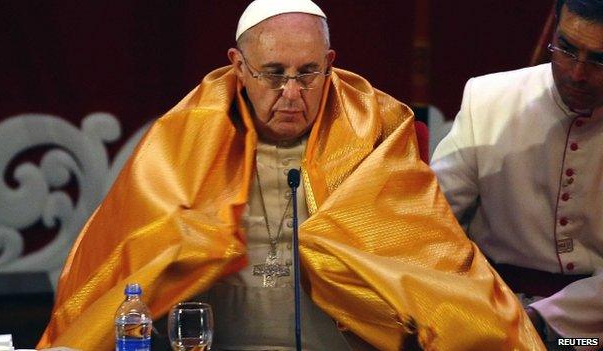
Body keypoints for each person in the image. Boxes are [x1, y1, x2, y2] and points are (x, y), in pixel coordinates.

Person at [38, 0, 543, 350]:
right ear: (238, 66)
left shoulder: (374, 141)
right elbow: (123, 270)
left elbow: (435, 269)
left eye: (308, 73)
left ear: (330, 64)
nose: (293, 92)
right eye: (274, 73)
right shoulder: (183, 147)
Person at [431, 0, 603, 346]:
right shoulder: (489, 99)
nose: (576, 73)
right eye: (566, 49)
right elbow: (432, 221)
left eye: (599, 60)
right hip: (492, 312)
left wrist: (542, 319)